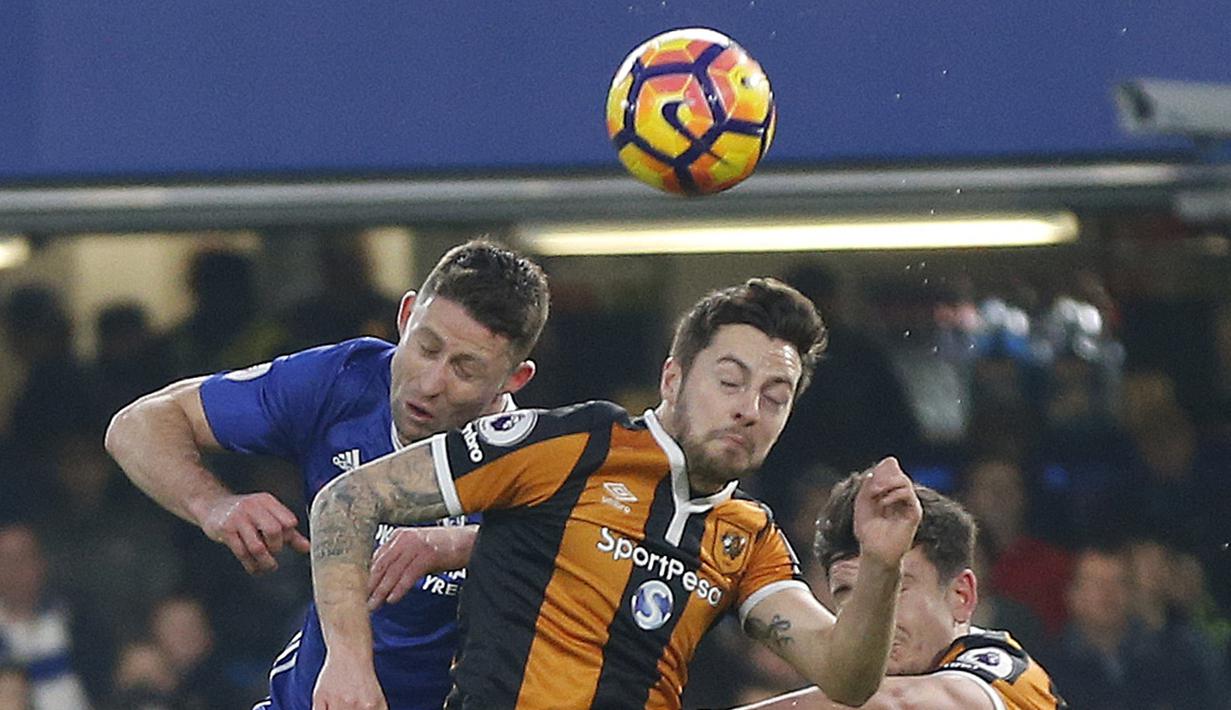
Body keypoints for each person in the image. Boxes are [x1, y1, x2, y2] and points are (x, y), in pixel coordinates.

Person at [309, 277, 923, 710]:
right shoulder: (573, 443)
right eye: (730, 381)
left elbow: (845, 677)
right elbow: (347, 501)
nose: (748, 410)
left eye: (775, 396)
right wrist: (347, 662)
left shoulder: (748, 537)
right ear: (673, 378)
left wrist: (883, 563)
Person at [105, 240, 551, 710]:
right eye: (426, 347)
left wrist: (459, 547)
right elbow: (137, 426)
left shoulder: (541, 462)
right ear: (405, 317)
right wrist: (213, 504)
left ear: (513, 380)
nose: (429, 383)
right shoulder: (341, 381)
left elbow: (587, 554)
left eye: (464, 369)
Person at [734, 473, 1068, 710]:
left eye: (894, 587)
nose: (872, 612)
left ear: (960, 596)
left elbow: (900, 703)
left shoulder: (1005, 675)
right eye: (847, 592)